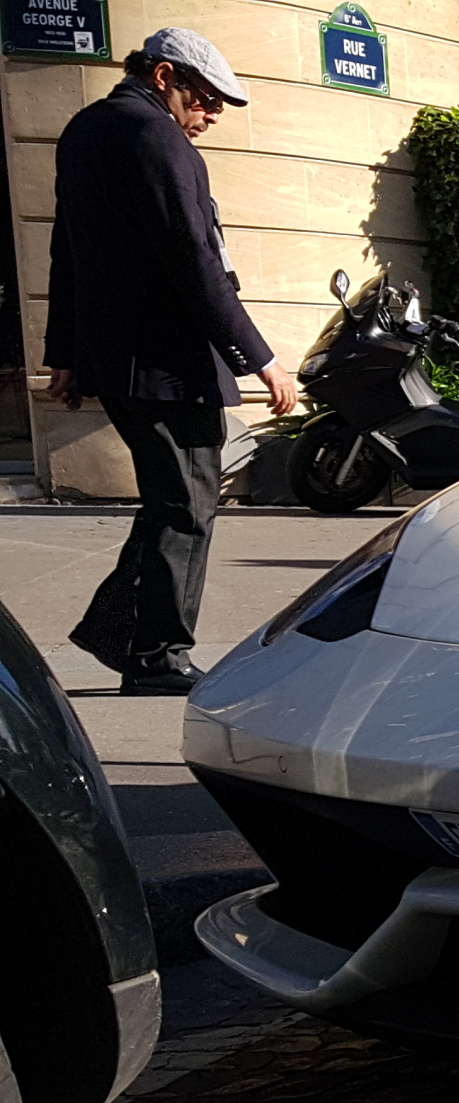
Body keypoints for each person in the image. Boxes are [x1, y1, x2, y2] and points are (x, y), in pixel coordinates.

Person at [44, 28, 298, 696]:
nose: (210, 116)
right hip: (168, 362)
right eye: (205, 98)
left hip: (119, 359)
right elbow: (196, 261)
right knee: (187, 505)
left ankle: (121, 632)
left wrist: (66, 353)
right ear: (164, 77)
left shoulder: (85, 130)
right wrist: (262, 358)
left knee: (171, 501)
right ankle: (156, 654)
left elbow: (65, 249)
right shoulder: (158, 138)